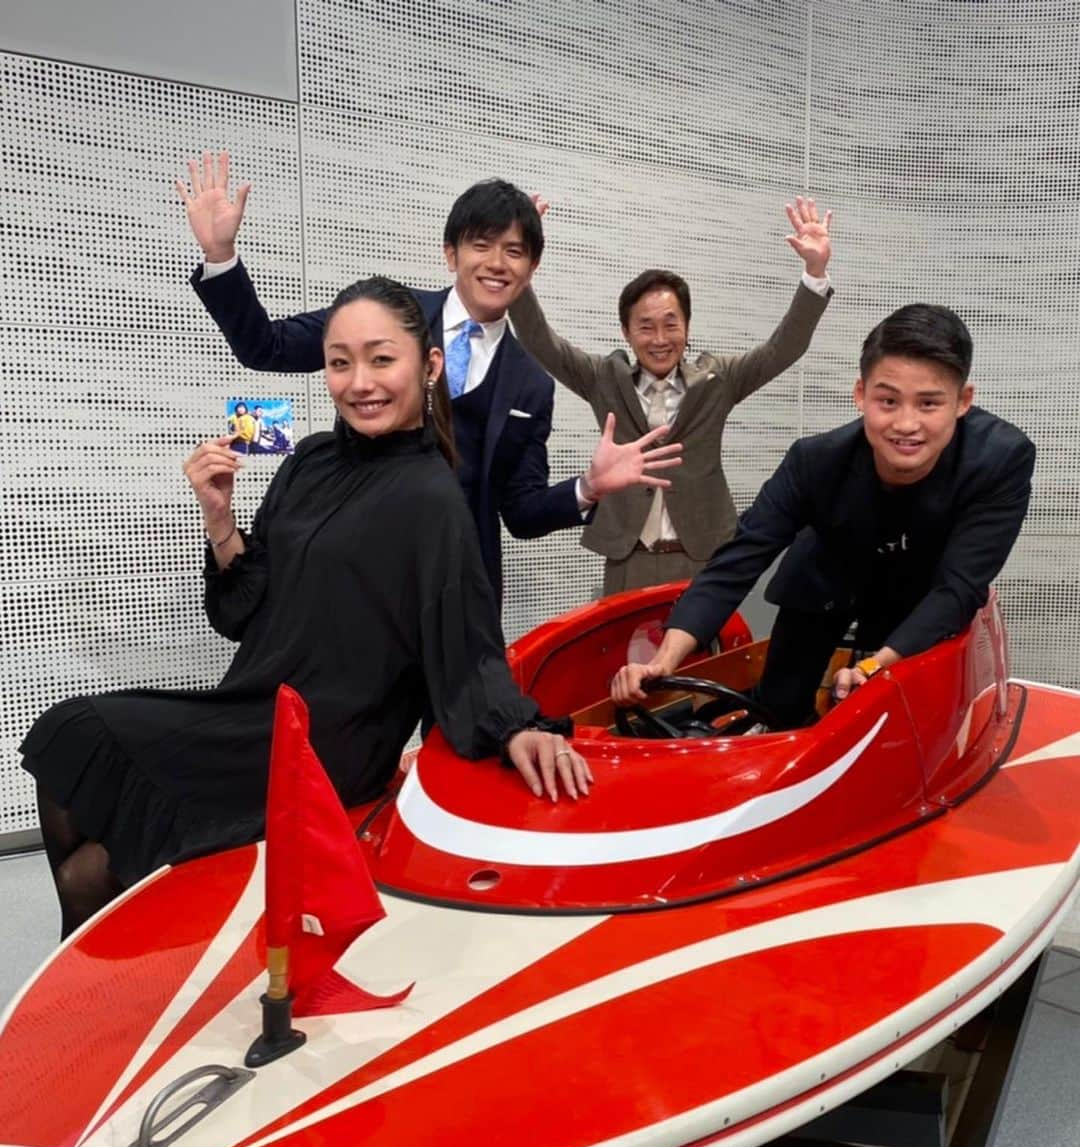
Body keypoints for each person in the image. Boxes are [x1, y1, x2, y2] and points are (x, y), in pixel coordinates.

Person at [22, 277, 594, 939]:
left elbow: (466, 639)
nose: (360, 381)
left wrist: (517, 726)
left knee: (89, 858)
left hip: (329, 740)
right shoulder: (311, 461)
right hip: (256, 702)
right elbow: (242, 610)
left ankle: (93, 995)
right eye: (340, 361)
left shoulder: (432, 497)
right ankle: (88, 984)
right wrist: (219, 520)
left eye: (382, 359)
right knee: (68, 746)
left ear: (429, 366)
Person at [176, 152, 680, 604]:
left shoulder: (531, 383)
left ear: (532, 268)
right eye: (482, 244)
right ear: (450, 253)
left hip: (457, 589)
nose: (497, 263)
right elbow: (267, 346)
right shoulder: (387, 313)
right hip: (353, 566)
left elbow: (521, 513)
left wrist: (588, 487)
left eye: (515, 251)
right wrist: (221, 258)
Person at [611, 304, 1036, 727]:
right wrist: (663, 661)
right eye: (887, 401)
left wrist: (875, 666)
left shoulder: (1001, 460)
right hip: (824, 577)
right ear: (861, 395)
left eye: (929, 404)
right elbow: (736, 563)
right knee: (779, 708)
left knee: (905, 718)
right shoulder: (813, 461)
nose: (907, 424)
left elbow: (959, 586)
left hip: (926, 593)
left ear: (962, 402)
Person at [508, 197, 834, 593]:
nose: (660, 339)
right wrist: (520, 260)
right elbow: (540, 342)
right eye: (645, 327)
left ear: (687, 327)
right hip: (629, 559)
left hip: (702, 558)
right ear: (626, 333)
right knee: (623, 657)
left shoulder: (719, 380)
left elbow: (784, 348)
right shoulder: (602, 379)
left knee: (702, 656)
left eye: (670, 324)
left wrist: (814, 272)